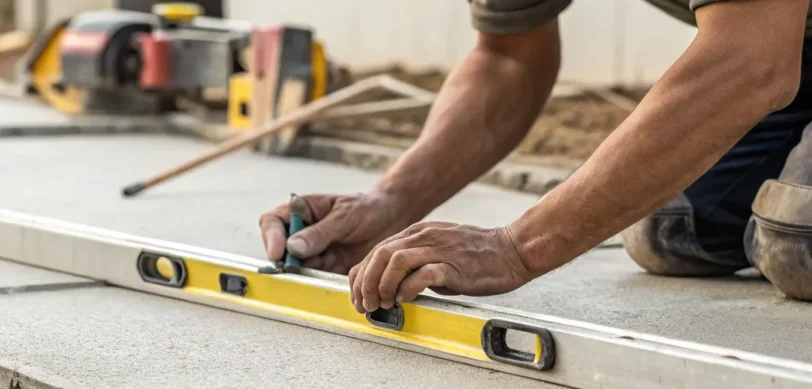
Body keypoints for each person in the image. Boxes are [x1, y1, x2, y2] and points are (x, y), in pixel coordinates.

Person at [259, 0, 812, 314]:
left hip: (769, 45)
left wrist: (517, 247)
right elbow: (508, 58)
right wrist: (391, 200)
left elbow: (750, 58)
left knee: (796, 239)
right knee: (668, 226)